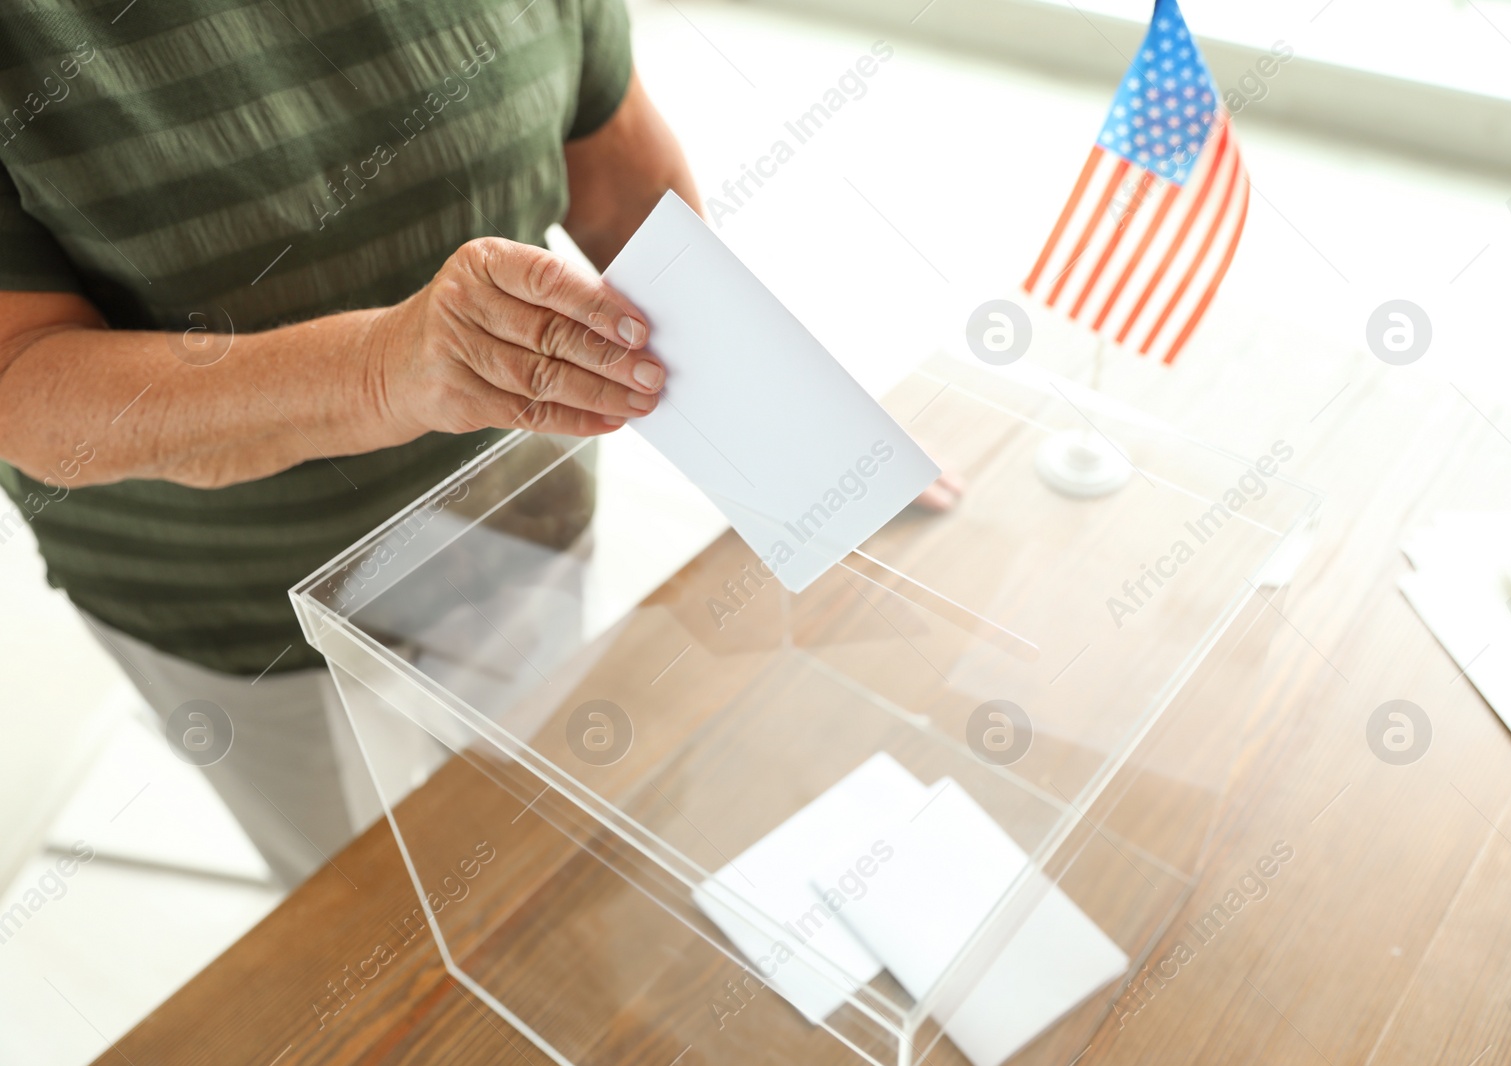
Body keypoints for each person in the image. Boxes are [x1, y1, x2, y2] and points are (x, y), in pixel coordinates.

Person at [0, 1, 963, 888]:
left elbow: (615, 163)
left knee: (542, 822)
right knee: (376, 906)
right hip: (253, 611)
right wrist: (380, 369)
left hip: (515, 508)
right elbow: (23, 380)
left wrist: (798, 426)